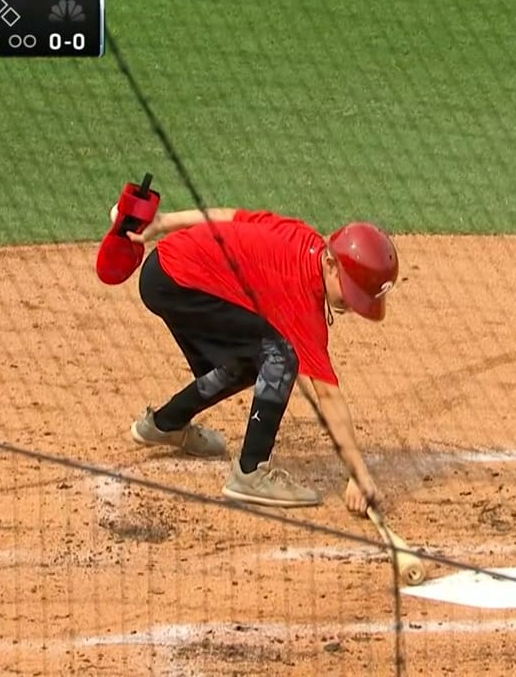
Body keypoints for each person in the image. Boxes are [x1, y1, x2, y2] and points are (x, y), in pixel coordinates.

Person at [123, 206, 399, 514]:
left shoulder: (302, 236)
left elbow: (230, 217)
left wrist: (164, 222)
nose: (350, 304)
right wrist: (358, 474)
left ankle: (165, 424)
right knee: (282, 353)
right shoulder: (300, 298)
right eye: (350, 291)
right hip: (178, 283)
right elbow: (327, 395)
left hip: (167, 268)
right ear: (332, 265)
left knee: (254, 355)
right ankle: (251, 472)